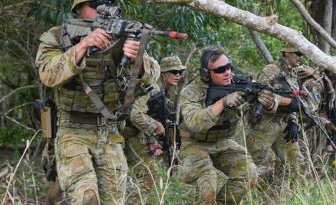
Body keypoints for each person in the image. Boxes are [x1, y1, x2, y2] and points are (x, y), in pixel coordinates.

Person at [35, 0, 159, 204]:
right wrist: (84, 45)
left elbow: (153, 75)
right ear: (79, 8)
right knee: (87, 197)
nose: (103, 9)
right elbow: (48, 74)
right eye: (96, 3)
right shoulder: (58, 35)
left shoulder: (122, 36)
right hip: (72, 131)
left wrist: (138, 59)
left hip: (109, 133)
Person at [178, 47, 265, 205]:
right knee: (208, 186)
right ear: (206, 73)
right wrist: (223, 102)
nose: (227, 72)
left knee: (249, 175)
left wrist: (267, 101)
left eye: (229, 67)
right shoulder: (191, 91)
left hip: (222, 141)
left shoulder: (237, 83)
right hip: (193, 143)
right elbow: (194, 123)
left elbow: (263, 105)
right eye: (220, 70)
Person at [246, 43, 313, 181]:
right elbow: (262, 95)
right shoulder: (271, 70)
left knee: (297, 164)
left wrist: (293, 121)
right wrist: (286, 102)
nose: (301, 58)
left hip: (284, 124)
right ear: (287, 54)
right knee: (262, 167)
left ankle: (294, 198)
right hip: (263, 125)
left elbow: (294, 99)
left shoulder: (293, 73)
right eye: (298, 54)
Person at [124, 56, 185, 203]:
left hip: (135, 134)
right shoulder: (152, 88)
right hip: (127, 133)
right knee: (148, 174)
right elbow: (136, 114)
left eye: (180, 72)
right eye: (173, 71)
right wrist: (155, 127)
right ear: (162, 74)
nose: (178, 75)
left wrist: (153, 140)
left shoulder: (164, 92)